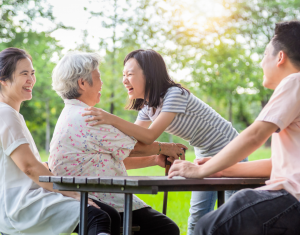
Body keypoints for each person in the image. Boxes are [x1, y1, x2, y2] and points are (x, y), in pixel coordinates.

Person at [82, 49, 247, 234]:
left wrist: (111, 119)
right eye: (123, 75)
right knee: (197, 215)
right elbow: (134, 141)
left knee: (234, 217)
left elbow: (150, 135)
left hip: (230, 148)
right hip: (204, 153)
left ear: (149, 75)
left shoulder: (174, 94)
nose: (124, 80)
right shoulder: (148, 107)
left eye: (129, 74)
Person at [168, 20, 300, 235]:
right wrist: (221, 169)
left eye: (265, 54)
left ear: (280, 57)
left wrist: (202, 170)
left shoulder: (294, 80)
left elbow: (255, 135)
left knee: (209, 226)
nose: (261, 63)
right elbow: (278, 164)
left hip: (292, 199)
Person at [49, 51, 182, 235]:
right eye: (98, 77)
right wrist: (166, 147)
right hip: (97, 196)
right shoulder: (88, 117)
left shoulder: (70, 114)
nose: (102, 83)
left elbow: (113, 157)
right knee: (166, 229)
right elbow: (134, 147)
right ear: (82, 83)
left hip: (84, 193)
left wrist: (154, 159)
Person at [0, 47, 111, 235]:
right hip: (22, 205)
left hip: (28, 197)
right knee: (97, 216)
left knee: (109, 214)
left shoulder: (11, 114)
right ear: (2, 80)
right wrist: (71, 193)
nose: (31, 80)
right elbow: (29, 167)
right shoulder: (5, 114)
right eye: (24, 74)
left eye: (32, 73)